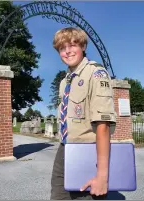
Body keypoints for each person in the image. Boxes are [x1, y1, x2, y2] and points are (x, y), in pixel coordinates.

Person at [50, 27, 116, 200]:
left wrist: (102, 176)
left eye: (72, 45)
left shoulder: (96, 73)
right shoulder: (65, 81)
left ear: (83, 46)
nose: (67, 51)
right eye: (62, 48)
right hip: (64, 148)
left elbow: (103, 125)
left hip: (88, 150)